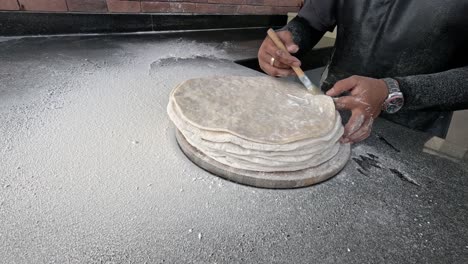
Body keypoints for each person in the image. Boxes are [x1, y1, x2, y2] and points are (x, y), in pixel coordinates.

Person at [258, 0, 468, 143]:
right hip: (329, 110)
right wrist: (288, 41)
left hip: (409, 131)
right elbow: (310, 22)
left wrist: (394, 91)